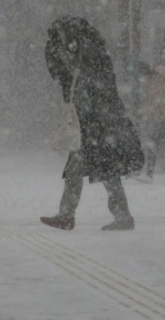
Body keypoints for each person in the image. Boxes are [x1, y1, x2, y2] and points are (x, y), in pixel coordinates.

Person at [40, 16, 143, 231]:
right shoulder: (93, 55)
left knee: (87, 169)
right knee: (102, 169)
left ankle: (69, 215)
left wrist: (84, 118)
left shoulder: (84, 62)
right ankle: (118, 216)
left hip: (95, 126)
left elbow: (87, 96)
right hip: (100, 126)